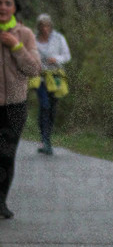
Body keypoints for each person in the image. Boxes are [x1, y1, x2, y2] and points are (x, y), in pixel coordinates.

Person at [0, 0, 41, 218]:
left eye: (8, 3)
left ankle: (0, 202)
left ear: (15, 8)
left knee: (6, 155)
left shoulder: (24, 34)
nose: (3, 7)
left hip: (15, 105)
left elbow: (34, 69)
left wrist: (16, 46)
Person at [34, 13, 71, 156]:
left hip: (55, 76)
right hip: (40, 77)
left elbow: (67, 56)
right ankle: (45, 140)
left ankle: (46, 137)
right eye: (42, 26)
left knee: (52, 108)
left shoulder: (59, 38)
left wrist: (55, 59)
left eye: (47, 26)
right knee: (44, 106)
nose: (45, 29)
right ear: (38, 27)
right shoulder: (33, 39)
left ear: (51, 26)